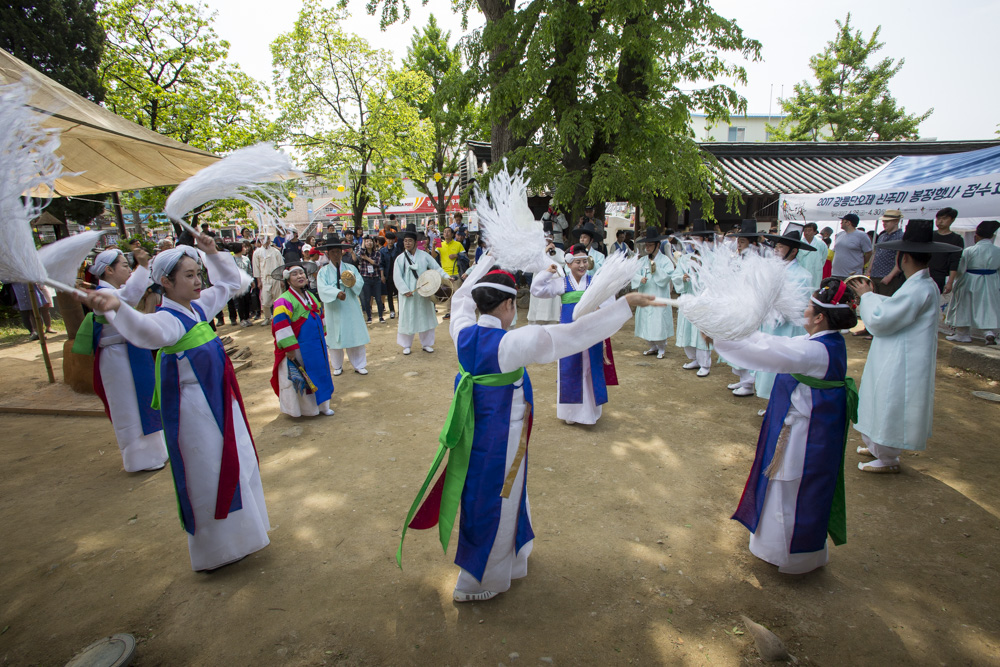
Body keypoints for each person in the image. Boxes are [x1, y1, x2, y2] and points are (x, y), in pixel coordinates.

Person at [397, 255, 662, 601]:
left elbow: (460, 298)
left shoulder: (461, 330)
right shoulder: (512, 343)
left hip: (470, 431)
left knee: (482, 492)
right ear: (509, 304)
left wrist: (487, 260)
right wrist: (624, 304)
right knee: (499, 496)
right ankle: (480, 580)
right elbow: (575, 334)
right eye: (513, 305)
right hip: (500, 437)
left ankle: (514, 557)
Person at [81, 237, 270, 572]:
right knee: (209, 475)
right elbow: (143, 330)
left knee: (239, 463)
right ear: (165, 282)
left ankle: (246, 537)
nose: (198, 281)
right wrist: (117, 308)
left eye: (198, 273)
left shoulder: (198, 308)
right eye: (189, 275)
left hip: (221, 403)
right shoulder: (167, 319)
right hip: (194, 411)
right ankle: (217, 551)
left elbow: (229, 283)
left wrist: (213, 252)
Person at [718, 278, 858, 574]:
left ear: (820, 317)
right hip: (809, 429)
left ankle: (791, 557)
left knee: (789, 487)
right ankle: (781, 550)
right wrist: (727, 330)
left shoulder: (815, 351)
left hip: (805, 436)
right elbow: (772, 342)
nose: (804, 311)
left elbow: (767, 353)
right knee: (787, 488)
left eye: (808, 307)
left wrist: (721, 337)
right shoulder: (822, 342)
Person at [851, 220, 959, 473]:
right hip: (896, 352)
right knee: (880, 395)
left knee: (891, 399)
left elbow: (882, 319)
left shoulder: (919, 287)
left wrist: (867, 296)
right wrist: (873, 296)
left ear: (904, 257)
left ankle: (888, 455)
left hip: (904, 358)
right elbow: (894, 307)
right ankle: (879, 445)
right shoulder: (919, 285)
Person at [73, 247, 168, 473]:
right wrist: (143, 267)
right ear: (109, 270)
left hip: (131, 353)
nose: (128, 269)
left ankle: (156, 452)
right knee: (126, 407)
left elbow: (131, 292)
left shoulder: (111, 291)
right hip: (116, 357)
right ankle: (138, 459)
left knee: (145, 400)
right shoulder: (106, 295)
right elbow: (130, 295)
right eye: (125, 265)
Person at [529, 244, 617, 425]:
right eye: (578, 262)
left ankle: (590, 412)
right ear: (569, 264)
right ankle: (570, 413)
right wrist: (547, 272)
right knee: (570, 368)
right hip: (568, 334)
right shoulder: (562, 283)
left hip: (591, 332)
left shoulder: (594, 282)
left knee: (589, 368)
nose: (582, 265)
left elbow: (610, 300)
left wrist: (601, 308)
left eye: (585, 261)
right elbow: (536, 290)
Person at [754, 229, 817, 400]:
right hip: (769, 325)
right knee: (768, 364)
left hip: (787, 329)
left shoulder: (802, 276)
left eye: (781, 247)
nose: (776, 249)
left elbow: (799, 307)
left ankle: (784, 404)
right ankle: (772, 401)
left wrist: (776, 305)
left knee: (783, 367)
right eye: (776, 245)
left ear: (793, 250)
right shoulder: (772, 270)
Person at [269, 261, 335, 417]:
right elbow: (280, 325)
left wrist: (323, 335)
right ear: (288, 279)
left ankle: (323, 405)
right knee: (303, 376)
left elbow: (320, 315)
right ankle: (307, 410)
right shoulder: (283, 300)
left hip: (316, 345)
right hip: (298, 347)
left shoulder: (311, 296)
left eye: (301, 273)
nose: (299, 276)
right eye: (294, 274)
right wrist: (289, 348)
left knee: (320, 372)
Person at [316, 237, 371, 375]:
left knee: (355, 335)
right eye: (333, 252)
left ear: (342, 252)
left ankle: (359, 364)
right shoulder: (323, 271)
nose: (336, 254)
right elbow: (322, 288)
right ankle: (337, 365)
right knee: (335, 337)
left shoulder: (350, 268)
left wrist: (350, 283)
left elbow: (359, 282)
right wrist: (336, 293)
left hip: (350, 305)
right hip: (334, 308)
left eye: (338, 252)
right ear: (328, 254)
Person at [393, 224, 449, 354]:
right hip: (408, 293)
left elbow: (437, 268)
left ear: (415, 242)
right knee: (408, 317)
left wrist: (446, 277)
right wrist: (404, 289)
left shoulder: (424, 255)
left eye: (410, 241)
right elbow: (397, 276)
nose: (407, 243)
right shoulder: (400, 259)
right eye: (405, 241)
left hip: (424, 292)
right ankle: (406, 345)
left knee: (426, 317)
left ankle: (427, 343)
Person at [724, 220, 766, 396]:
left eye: (742, 242)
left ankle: (749, 383)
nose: (739, 245)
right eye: (738, 241)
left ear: (753, 243)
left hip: (751, 306)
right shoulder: (738, 258)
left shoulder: (758, 261)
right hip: (738, 304)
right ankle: (742, 378)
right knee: (737, 342)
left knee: (748, 343)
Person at [945, 220, 1000, 345]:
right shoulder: (998, 251)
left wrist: (955, 281)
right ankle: (988, 332)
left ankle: (962, 334)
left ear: (976, 236)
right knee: (987, 307)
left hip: (970, 280)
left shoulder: (969, 250)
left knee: (964, 306)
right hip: (991, 281)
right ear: (992, 236)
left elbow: (960, 269)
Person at [672, 221, 716, 377]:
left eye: (697, 238)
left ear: (704, 239)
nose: (694, 242)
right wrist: (682, 278)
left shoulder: (712, 258)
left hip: (703, 298)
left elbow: (716, 279)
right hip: (689, 296)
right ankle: (694, 358)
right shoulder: (686, 258)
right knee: (687, 328)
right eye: (693, 238)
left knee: (701, 331)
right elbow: (676, 274)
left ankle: (705, 363)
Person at [630, 227, 674, 358]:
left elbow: (667, 277)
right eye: (646, 245)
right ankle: (652, 346)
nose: (647, 248)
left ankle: (661, 347)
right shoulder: (642, 260)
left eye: (650, 245)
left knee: (658, 320)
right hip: (645, 293)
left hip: (658, 294)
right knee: (645, 320)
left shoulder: (665, 260)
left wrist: (656, 271)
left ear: (657, 245)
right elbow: (634, 274)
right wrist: (639, 279)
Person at [527, 237, 563, 324]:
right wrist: (544, 252)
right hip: (539, 284)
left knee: (552, 319)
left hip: (552, 284)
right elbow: (529, 266)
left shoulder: (558, 251)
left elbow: (564, 263)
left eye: (550, 239)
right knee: (536, 320)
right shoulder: (536, 251)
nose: (548, 241)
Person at [928, 207, 964, 294]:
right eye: (938, 218)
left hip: (941, 276)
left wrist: (950, 282)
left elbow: (955, 261)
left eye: (944, 218)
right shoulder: (930, 235)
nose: (940, 221)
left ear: (952, 220)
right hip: (926, 273)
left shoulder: (956, 239)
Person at [252, 236, 283, 326]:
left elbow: (281, 265)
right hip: (265, 279)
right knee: (265, 301)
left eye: (267, 238)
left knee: (278, 299)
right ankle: (267, 317)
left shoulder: (275, 251)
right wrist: (258, 281)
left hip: (276, 278)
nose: (266, 241)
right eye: (263, 239)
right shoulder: (257, 252)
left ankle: (278, 317)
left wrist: (281, 279)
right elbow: (256, 267)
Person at [830, 214, 872, 280]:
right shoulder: (839, 235)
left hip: (852, 274)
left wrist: (860, 265)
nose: (841, 222)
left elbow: (869, 253)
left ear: (848, 223)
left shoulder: (862, 235)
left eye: (843, 221)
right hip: (836, 273)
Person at [438, 226, 465, 320]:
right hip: (445, 274)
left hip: (456, 273)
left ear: (452, 234)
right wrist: (433, 246)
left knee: (458, 294)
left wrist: (456, 255)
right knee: (447, 294)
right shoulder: (439, 244)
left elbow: (465, 257)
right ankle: (449, 312)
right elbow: (433, 256)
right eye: (444, 232)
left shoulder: (458, 244)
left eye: (448, 232)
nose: (446, 233)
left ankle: (459, 312)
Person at [356, 235, 384, 323]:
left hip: (376, 278)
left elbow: (376, 263)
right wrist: (363, 244)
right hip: (365, 278)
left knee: (378, 299)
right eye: (367, 241)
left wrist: (367, 258)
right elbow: (359, 255)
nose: (369, 243)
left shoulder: (377, 253)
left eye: (371, 241)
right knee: (367, 299)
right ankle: (369, 317)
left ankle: (381, 316)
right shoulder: (361, 252)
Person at [227, 242, 253, 327]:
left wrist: (251, 281)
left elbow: (249, 271)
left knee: (247, 300)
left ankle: (247, 318)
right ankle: (242, 319)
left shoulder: (246, 259)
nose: (245, 249)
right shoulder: (232, 260)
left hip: (246, 284)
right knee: (240, 302)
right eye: (243, 247)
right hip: (238, 284)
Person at [799, 223, 827, 289]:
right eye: (805, 230)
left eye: (810, 230)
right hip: (802, 271)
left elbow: (823, 258)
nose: (807, 233)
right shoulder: (799, 243)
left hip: (815, 271)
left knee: (814, 288)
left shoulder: (821, 244)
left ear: (815, 232)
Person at [379, 231, 399, 319]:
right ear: (386, 240)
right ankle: (392, 311)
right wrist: (382, 275)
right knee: (389, 294)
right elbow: (381, 264)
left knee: (399, 294)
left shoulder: (397, 249)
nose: (390, 241)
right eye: (388, 239)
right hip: (388, 275)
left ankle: (401, 310)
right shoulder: (383, 251)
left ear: (394, 240)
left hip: (397, 275)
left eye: (392, 239)